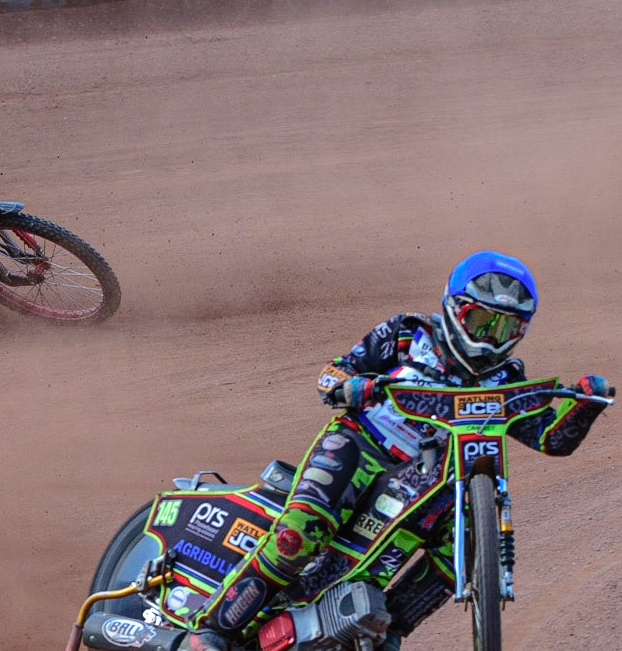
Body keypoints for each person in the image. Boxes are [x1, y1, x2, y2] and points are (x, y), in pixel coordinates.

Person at [181, 250, 611, 651]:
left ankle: (389, 632)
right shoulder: (407, 332)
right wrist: (352, 386)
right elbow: (333, 373)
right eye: (481, 320)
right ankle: (213, 629)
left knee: (457, 554)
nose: (489, 337)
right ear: (454, 308)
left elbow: (549, 439)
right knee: (301, 532)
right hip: (360, 445)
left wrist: (585, 407)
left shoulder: (507, 377)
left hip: (429, 479)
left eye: (504, 328)